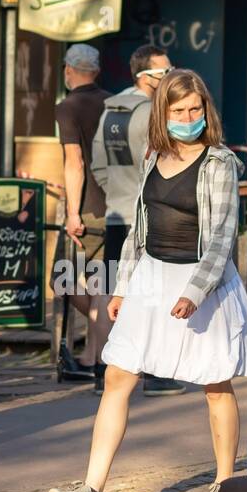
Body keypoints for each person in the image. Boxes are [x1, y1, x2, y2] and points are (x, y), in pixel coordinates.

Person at [47, 69, 247, 492]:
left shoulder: (219, 163)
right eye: (178, 111)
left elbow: (223, 235)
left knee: (215, 384)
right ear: (161, 115)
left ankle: (224, 483)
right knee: (117, 376)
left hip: (201, 282)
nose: (188, 118)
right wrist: (124, 286)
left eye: (195, 110)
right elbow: (137, 230)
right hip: (151, 276)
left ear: (206, 111)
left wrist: (196, 291)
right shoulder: (153, 158)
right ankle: (92, 489)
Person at [87, 44, 185, 397]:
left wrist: (116, 190)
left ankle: (103, 369)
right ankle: (156, 373)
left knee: (113, 288)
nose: (170, 77)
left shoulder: (109, 111)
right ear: (144, 77)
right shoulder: (153, 114)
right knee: (152, 293)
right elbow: (166, 160)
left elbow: (98, 163)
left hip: (116, 211)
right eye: (164, 72)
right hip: (147, 215)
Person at [54, 42, 112, 382]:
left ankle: (100, 363)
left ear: (68, 70)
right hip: (117, 204)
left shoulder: (68, 107)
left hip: (90, 206)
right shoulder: (115, 103)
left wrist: (72, 212)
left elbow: (73, 162)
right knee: (99, 282)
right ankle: (93, 357)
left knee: (69, 280)